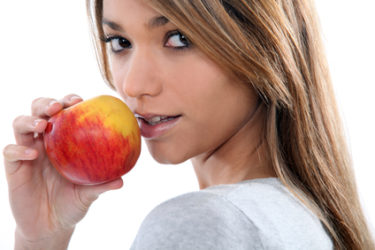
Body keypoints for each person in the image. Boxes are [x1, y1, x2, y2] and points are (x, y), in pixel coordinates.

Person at [3, 0, 374, 249]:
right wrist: (42, 236)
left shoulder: (203, 224)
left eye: (179, 38)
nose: (133, 85)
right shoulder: (308, 221)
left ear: (263, 45)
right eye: (119, 41)